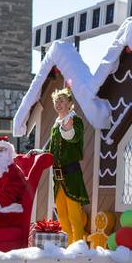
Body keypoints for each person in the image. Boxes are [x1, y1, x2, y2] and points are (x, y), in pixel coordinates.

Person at [44, 87, 89, 244]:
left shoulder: (75, 121)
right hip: (57, 177)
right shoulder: (56, 125)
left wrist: (67, 129)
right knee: (62, 215)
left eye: (62, 100)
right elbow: (52, 149)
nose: (58, 103)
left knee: (74, 215)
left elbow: (73, 138)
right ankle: (69, 246)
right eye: (56, 101)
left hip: (71, 174)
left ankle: (78, 248)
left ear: (70, 103)